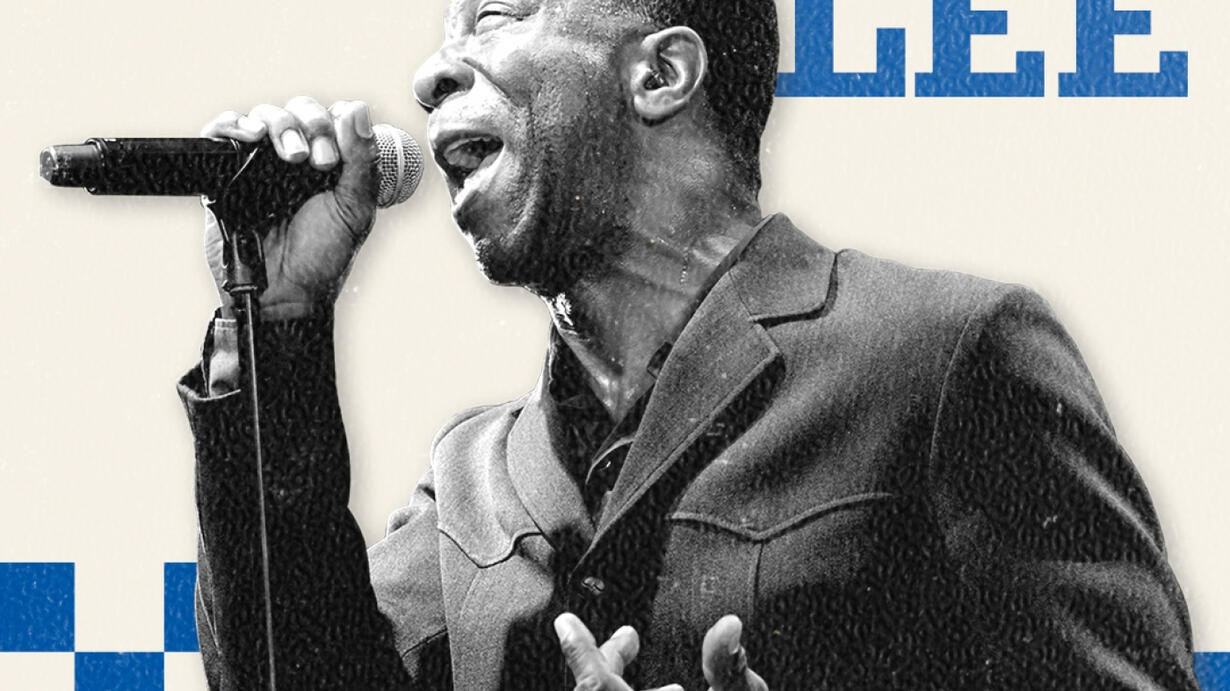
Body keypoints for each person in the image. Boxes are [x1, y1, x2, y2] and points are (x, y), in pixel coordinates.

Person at [179, 0, 1201, 689]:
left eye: (496, 17)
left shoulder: (942, 358)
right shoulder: (469, 483)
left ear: (661, 73)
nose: (431, 72)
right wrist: (275, 323)